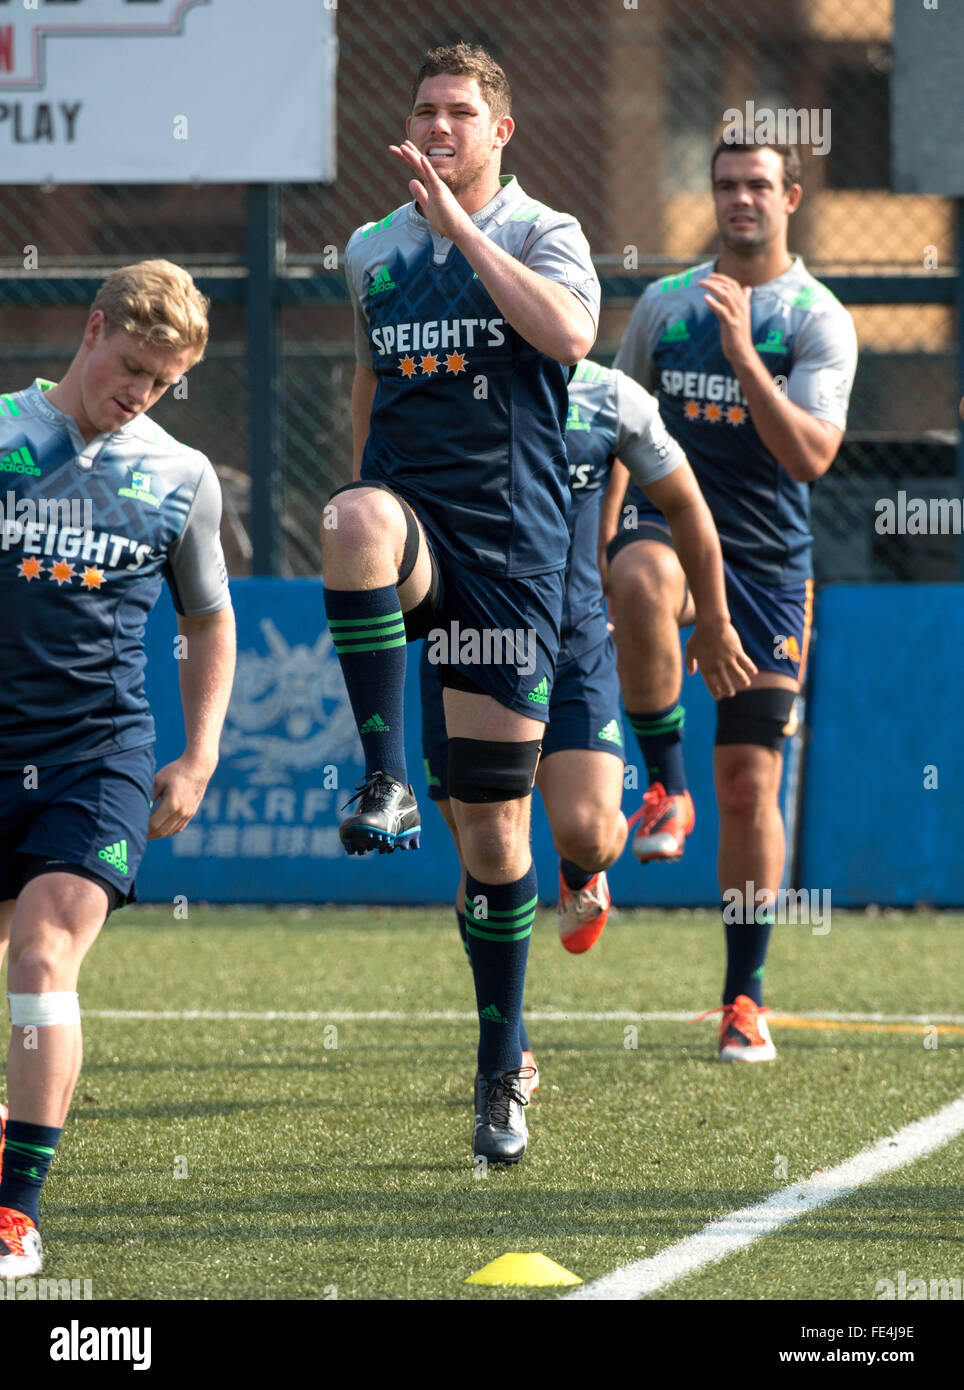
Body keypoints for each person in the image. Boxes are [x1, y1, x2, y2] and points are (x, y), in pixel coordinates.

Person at [323, 42, 601, 1165]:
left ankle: (500, 1063)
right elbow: (365, 373)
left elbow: (570, 338)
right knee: (351, 520)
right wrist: (362, 492)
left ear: (500, 133)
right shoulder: (368, 252)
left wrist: (463, 228)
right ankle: (381, 776)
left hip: (513, 557)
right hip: (414, 536)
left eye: (458, 113)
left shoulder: (545, 233)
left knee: (492, 833)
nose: (436, 127)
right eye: (424, 108)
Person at [420, 357, 755, 1089]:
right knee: (484, 855)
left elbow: (688, 505)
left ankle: (581, 875)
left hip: (572, 648)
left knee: (591, 833)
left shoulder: (610, 396)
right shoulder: (441, 383)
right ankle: (510, 1045)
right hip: (465, 647)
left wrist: (716, 616)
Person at [0, 261, 236, 1275]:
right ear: (92, 330)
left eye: (164, 379)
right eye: (134, 366)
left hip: (98, 752)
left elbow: (209, 617)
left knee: (43, 954)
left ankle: (17, 1209)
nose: (142, 391)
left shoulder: (181, 476)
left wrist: (200, 752)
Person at [603, 139, 858, 1062]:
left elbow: (810, 458)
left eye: (759, 185)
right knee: (640, 577)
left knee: (751, 786)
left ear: (791, 196)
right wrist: (601, 547)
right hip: (667, 536)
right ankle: (665, 785)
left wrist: (747, 355)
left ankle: (744, 998)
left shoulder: (818, 320)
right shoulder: (667, 307)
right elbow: (614, 432)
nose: (740, 199)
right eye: (725, 185)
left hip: (767, 574)